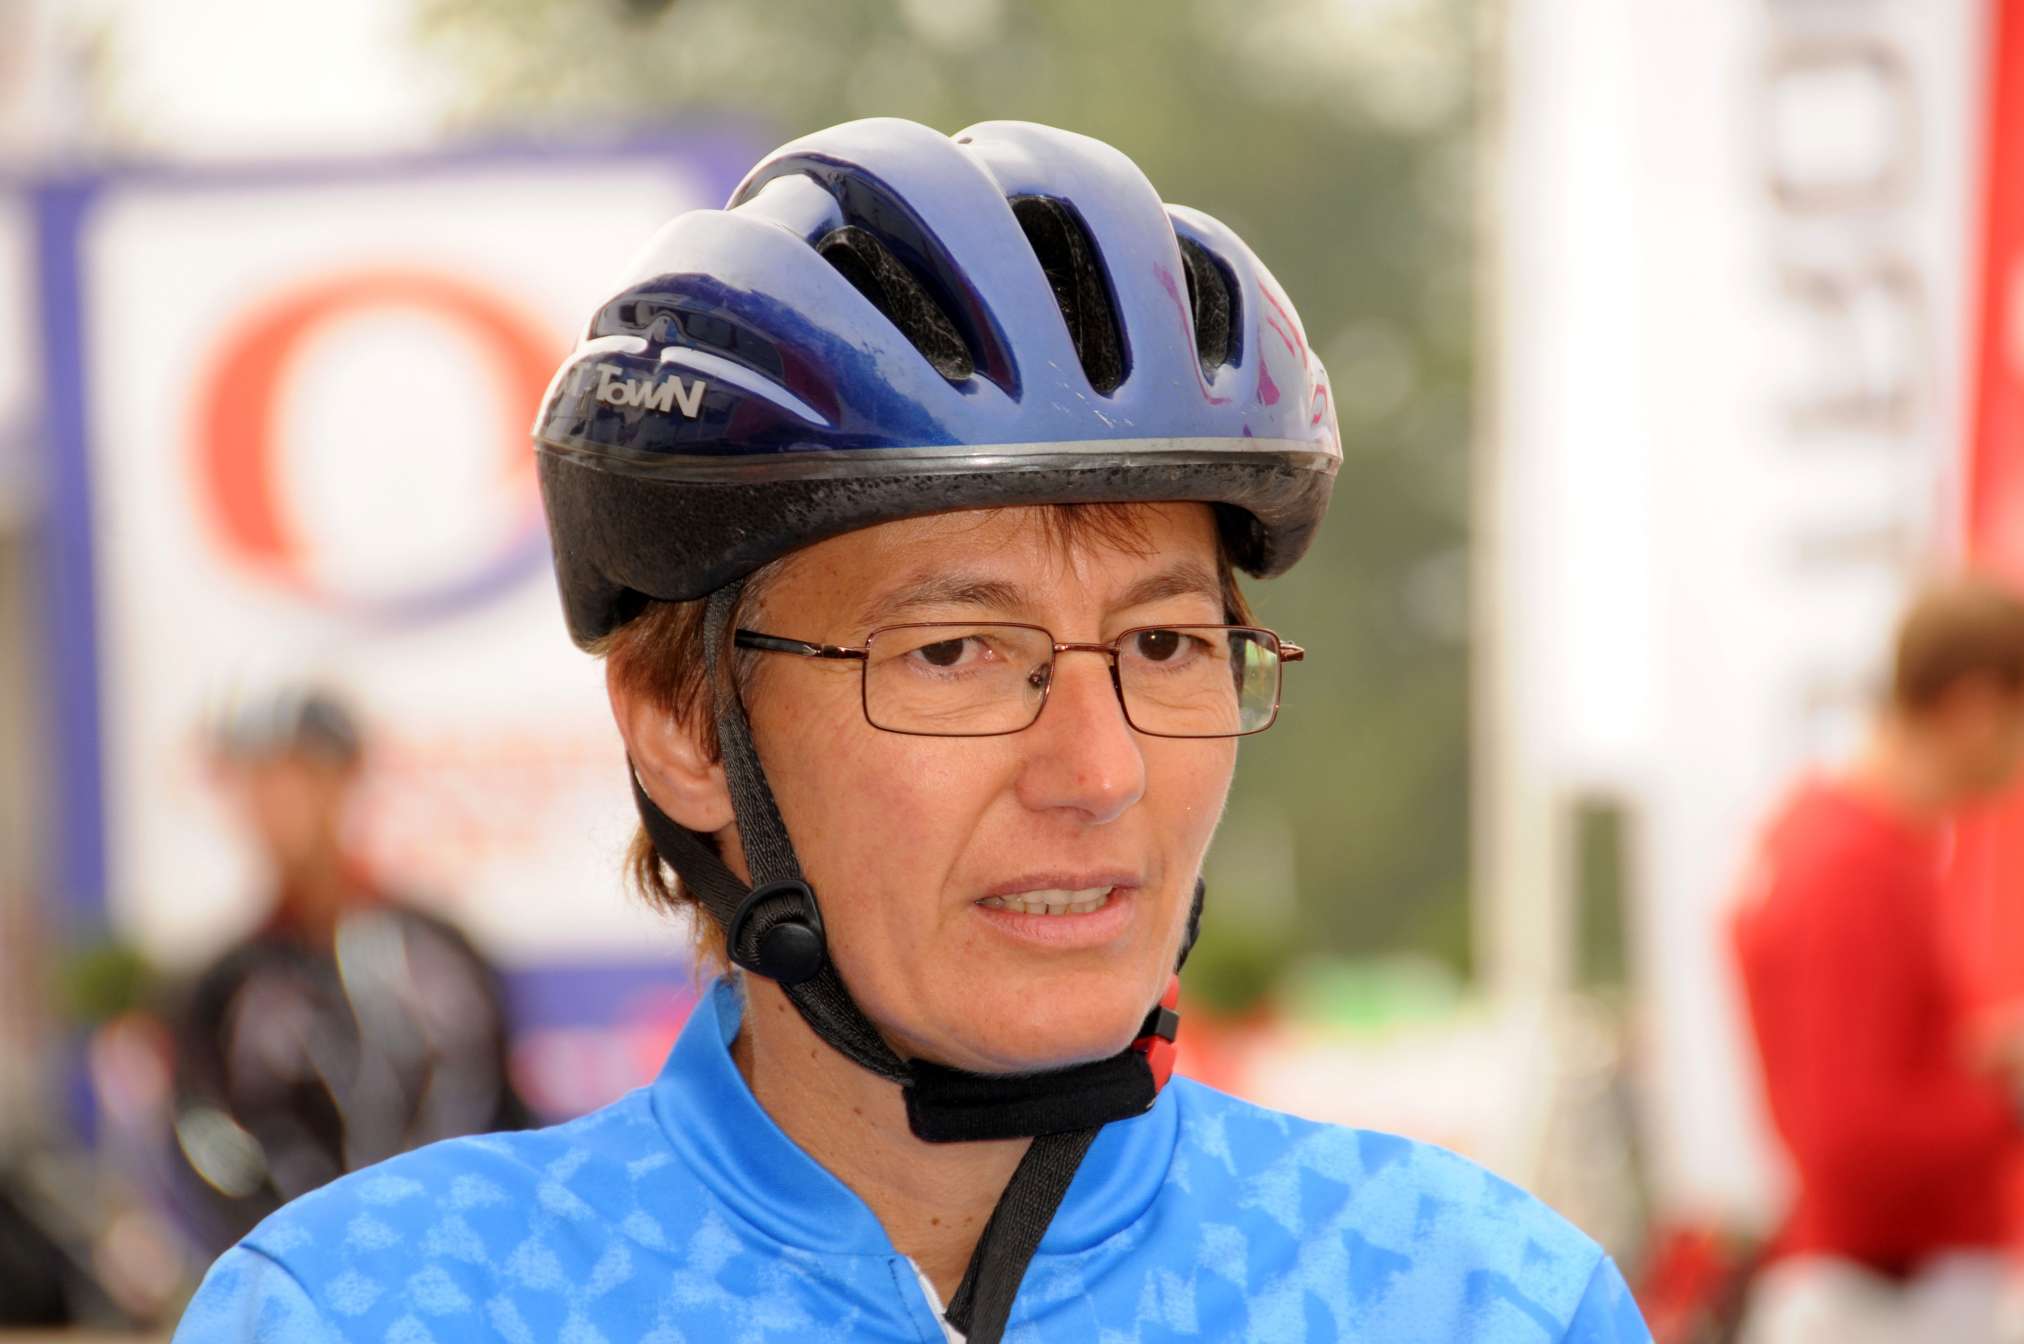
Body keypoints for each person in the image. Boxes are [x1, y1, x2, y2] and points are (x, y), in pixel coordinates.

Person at [172, 118, 1648, 1342]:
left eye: (1163, 645)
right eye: (954, 653)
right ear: (686, 727)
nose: (1100, 772)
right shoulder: (368, 1313)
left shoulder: (1479, 1301)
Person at [1732, 576, 2024, 1344]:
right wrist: (2002, 1104)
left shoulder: (1842, 842)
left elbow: (1858, 1077)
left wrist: (1980, 1062)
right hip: (1885, 1298)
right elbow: (1850, 1136)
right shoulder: (1852, 865)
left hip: (1879, 1289)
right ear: (1975, 706)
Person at [165, 687, 526, 1257]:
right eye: (259, 782)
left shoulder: (440, 954)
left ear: (345, 779)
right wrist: (293, 1250)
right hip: (296, 1276)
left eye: (299, 775)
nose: (277, 803)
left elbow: (496, 1111)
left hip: (446, 1266)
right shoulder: (226, 986)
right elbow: (205, 1139)